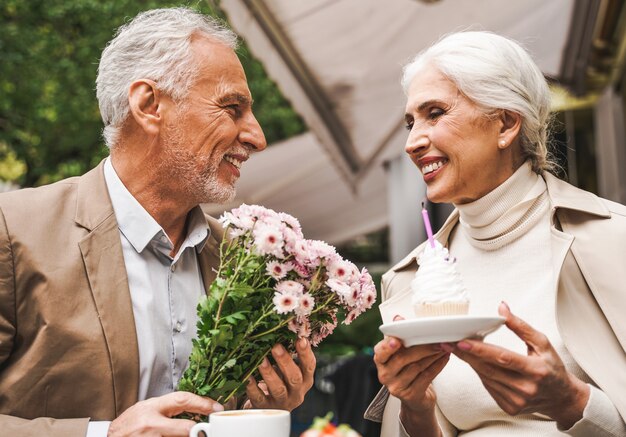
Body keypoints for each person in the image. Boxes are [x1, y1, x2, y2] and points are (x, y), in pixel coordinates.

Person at [0, 7, 316, 437]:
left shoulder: (239, 259)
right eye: (232, 108)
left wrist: (264, 403)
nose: (257, 137)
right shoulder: (13, 231)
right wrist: (102, 435)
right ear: (149, 105)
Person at [365, 31, 626, 437]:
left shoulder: (616, 238)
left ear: (505, 124)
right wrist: (415, 410)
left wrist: (573, 404)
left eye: (435, 113)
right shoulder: (408, 279)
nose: (412, 142)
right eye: (410, 122)